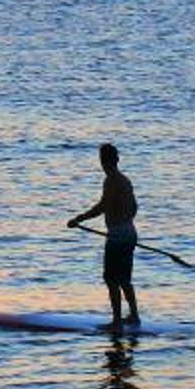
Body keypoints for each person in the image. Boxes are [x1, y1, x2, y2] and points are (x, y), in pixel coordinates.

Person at [67, 141, 141, 330]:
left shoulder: (111, 181)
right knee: (124, 279)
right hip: (130, 232)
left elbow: (102, 206)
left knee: (111, 279)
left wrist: (79, 219)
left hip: (117, 236)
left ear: (103, 161)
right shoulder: (125, 180)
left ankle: (117, 321)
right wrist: (124, 221)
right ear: (117, 160)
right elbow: (134, 207)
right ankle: (134, 316)